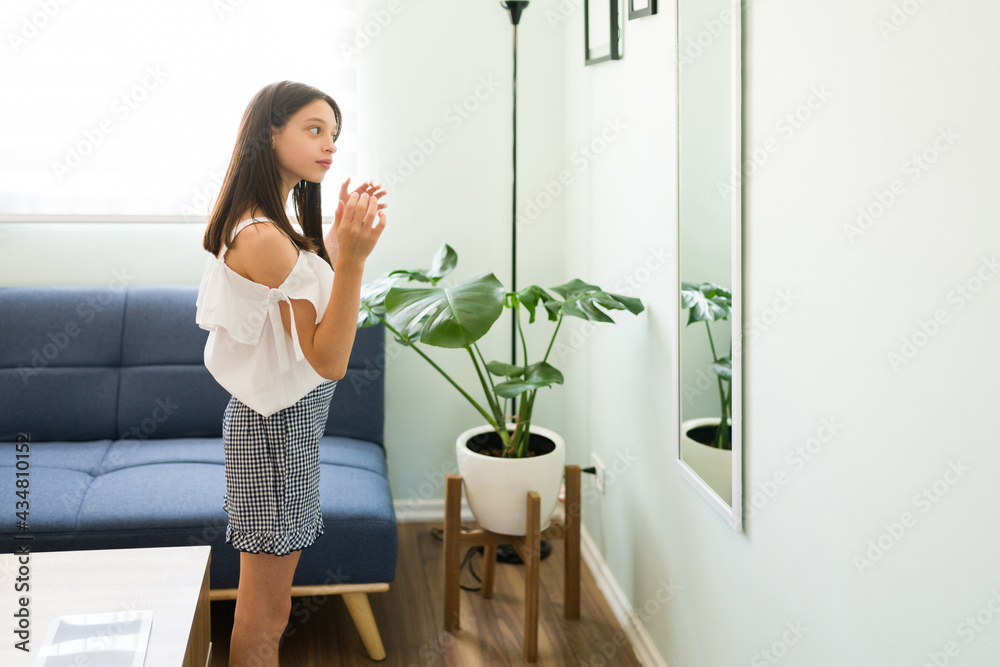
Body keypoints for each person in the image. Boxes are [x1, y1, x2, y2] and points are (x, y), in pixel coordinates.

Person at [195, 80, 387, 667]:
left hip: (284, 432)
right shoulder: (263, 238)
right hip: (274, 435)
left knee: (268, 614)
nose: (329, 144)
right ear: (269, 132)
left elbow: (306, 305)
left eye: (334, 133)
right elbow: (328, 359)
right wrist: (352, 258)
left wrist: (335, 243)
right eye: (313, 129)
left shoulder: (271, 225)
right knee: (265, 620)